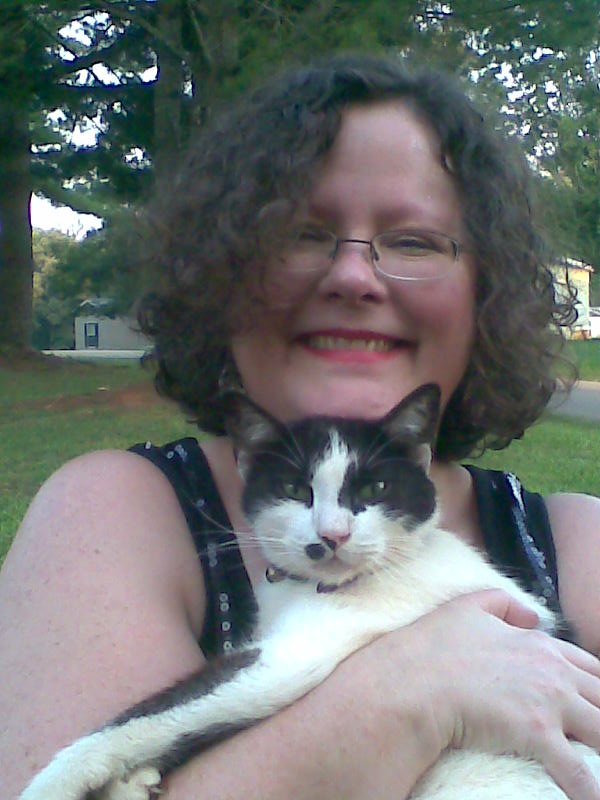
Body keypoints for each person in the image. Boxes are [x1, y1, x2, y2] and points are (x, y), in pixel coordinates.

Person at [1, 53, 600, 800]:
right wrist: (412, 693)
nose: (353, 276)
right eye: (303, 234)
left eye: (414, 240)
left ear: (487, 291)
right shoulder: (113, 515)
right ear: (223, 272)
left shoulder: (579, 545)